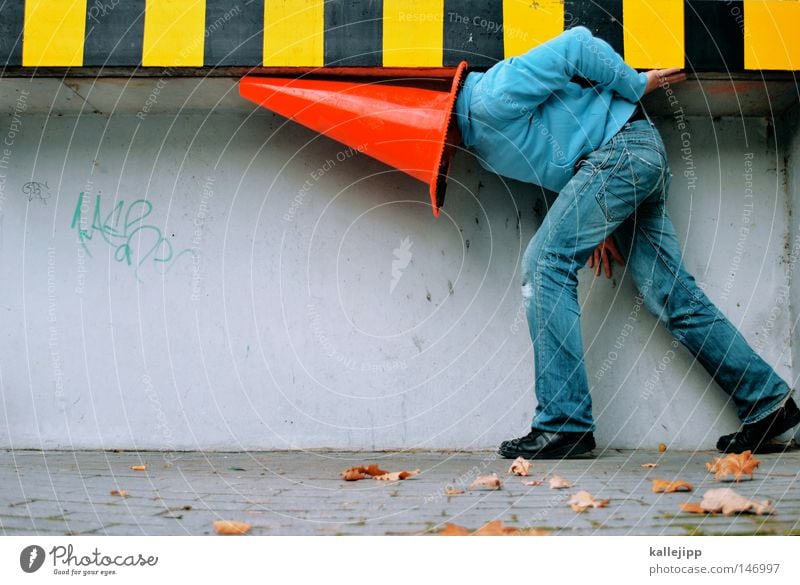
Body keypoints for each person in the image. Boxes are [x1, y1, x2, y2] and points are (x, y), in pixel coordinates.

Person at [453, 26, 799, 458]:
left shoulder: (487, 96)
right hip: (622, 161)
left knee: (544, 266)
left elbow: (576, 45)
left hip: (623, 153)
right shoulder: (477, 139)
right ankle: (767, 402)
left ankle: (564, 424)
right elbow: (561, 147)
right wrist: (594, 217)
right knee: (669, 293)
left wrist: (637, 84)